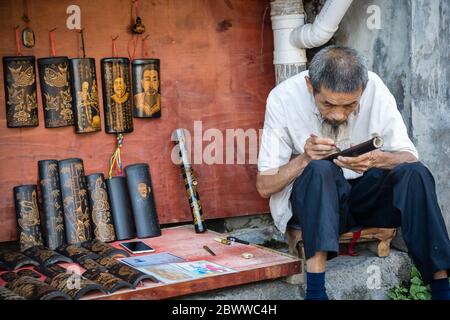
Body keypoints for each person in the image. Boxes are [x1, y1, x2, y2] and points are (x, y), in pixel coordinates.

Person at [256, 45, 450, 300]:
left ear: (363, 89)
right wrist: (304, 158)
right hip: (317, 206)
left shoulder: (375, 87)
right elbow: (264, 186)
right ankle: (316, 292)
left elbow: (409, 155)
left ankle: (442, 289)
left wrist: (378, 160)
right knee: (319, 169)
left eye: (349, 106)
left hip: (364, 201)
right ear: (309, 85)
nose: (338, 114)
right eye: (328, 104)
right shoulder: (283, 98)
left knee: (415, 173)